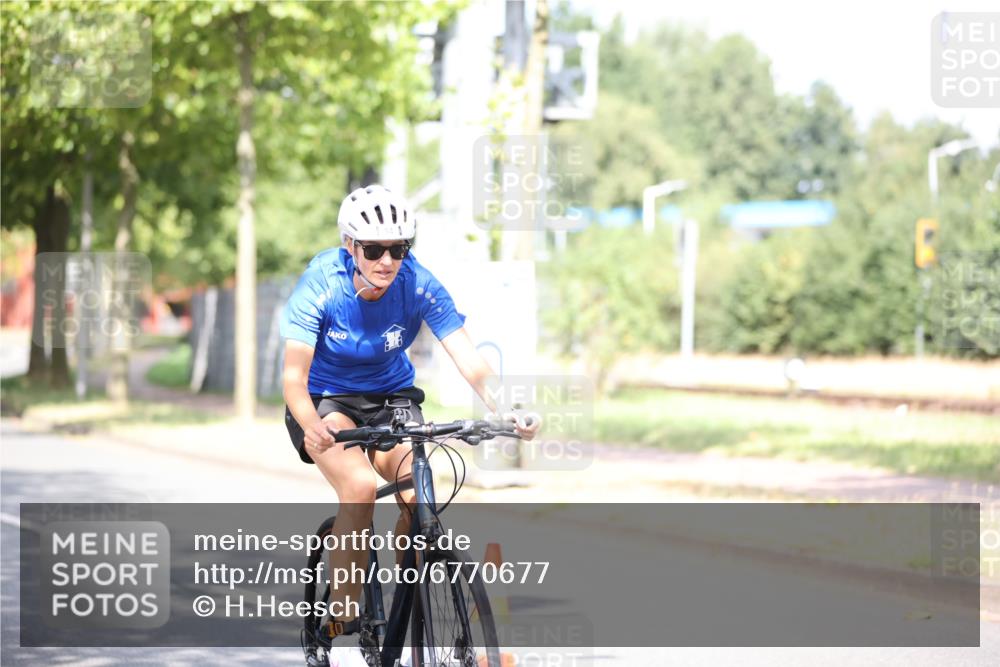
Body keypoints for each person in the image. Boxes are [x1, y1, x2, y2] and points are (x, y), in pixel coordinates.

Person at [281, 184, 539, 651]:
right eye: (373, 249)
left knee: (419, 492)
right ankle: (342, 612)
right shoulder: (321, 284)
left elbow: (468, 357)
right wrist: (311, 425)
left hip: (391, 396)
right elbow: (293, 378)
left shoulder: (417, 282)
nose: (387, 260)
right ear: (350, 246)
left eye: (398, 249)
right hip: (326, 400)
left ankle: (409, 592)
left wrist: (507, 408)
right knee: (359, 486)